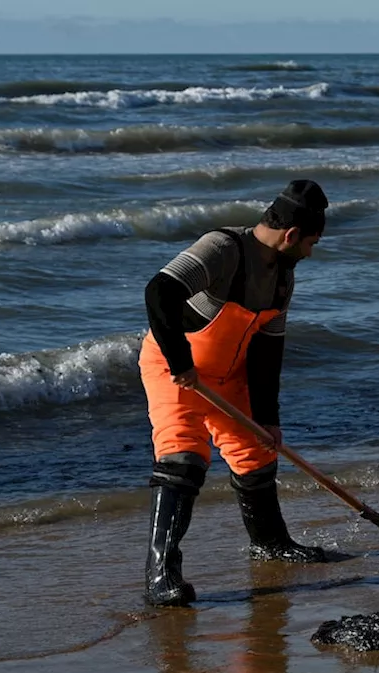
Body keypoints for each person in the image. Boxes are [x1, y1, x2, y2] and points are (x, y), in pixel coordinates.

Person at [139, 180, 330, 607]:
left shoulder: (284, 276)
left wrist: (269, 418)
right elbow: (159, 293)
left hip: (230, 376)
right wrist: (180, 361)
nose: (311, 253)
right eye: (312, 243)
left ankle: (271, 543)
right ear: (291, 235)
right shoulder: (222, 248)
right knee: (184, 459)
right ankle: (160, 574)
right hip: (176, 371)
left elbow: (267, 351)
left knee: (258, 453)